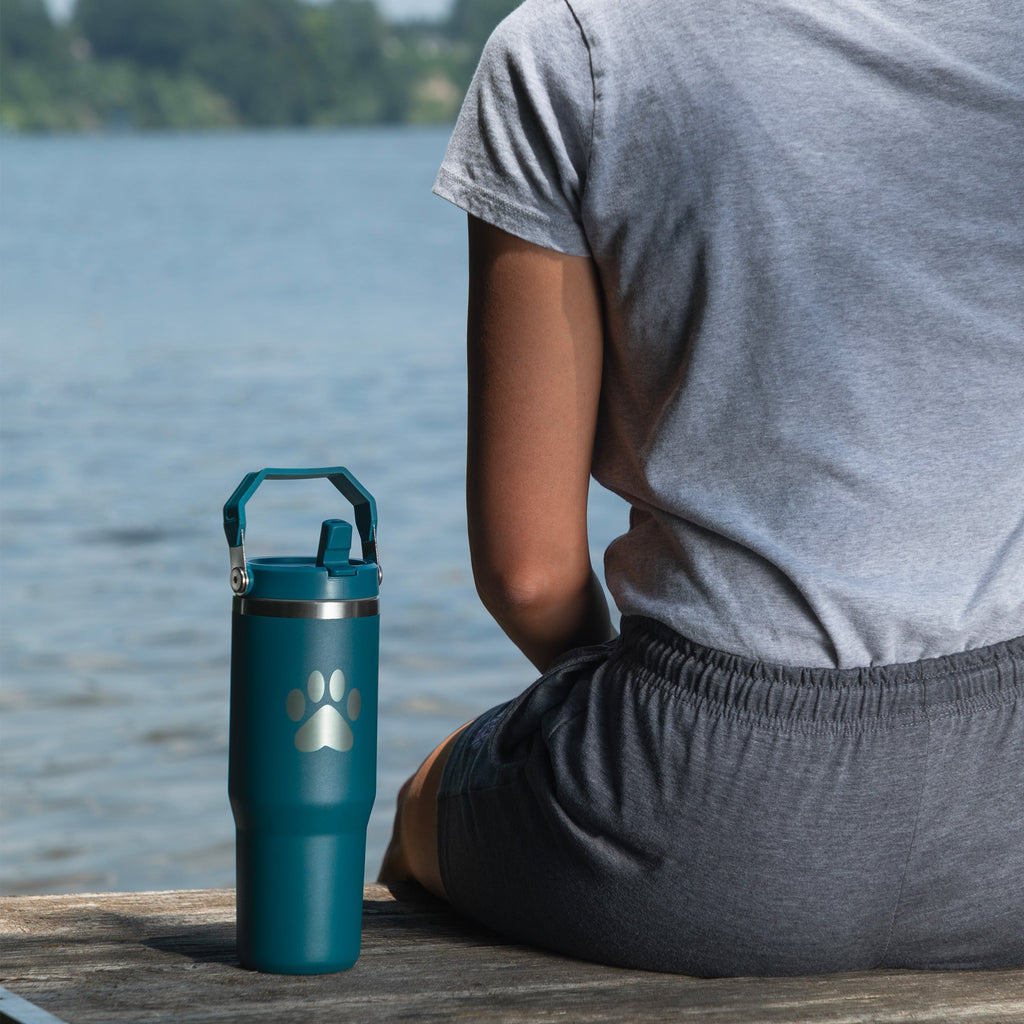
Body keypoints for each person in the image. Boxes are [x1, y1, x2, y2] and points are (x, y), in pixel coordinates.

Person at [379, 0, 1024, 976]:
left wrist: (642, 747)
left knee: (424, 809)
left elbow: (528, 572)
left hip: (705, 815)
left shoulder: (571, 50)